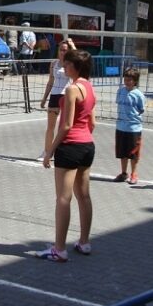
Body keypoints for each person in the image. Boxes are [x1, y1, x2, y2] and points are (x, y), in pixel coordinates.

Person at [37, 49, 96, 261]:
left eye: (68, 64)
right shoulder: (89, 87)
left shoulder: (72, 89)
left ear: (76, 67)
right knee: (84, 196)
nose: (64, 67)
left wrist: (50, 151)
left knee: (63, 198)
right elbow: (92, 123)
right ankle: (84, 242)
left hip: (70, 146)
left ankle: (59, 249)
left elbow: (67, 125)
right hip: (87, 145)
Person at [38, 39, 76, 161]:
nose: (63, 52)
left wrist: (72, 45)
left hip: (66, 96)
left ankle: (63, 152)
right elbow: (50, 81)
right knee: (50, 127)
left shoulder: (71, 63)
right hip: (55, 95)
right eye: (61, 50)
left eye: (65, 50)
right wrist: (44, 98)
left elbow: (80, 59)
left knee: (65, 127)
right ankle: (47, 152)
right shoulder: (54, 63)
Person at [114, 68, 146, 184]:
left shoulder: (139, 95)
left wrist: (132, 117)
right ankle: (123, 173)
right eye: (125, 79)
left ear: (135, 81)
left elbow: (141, 109)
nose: (127, 82)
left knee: (133, 153)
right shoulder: (120, 91)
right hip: (121, 126)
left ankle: (134, 174)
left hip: (133, 128)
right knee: (122, 152)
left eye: (129, 80)